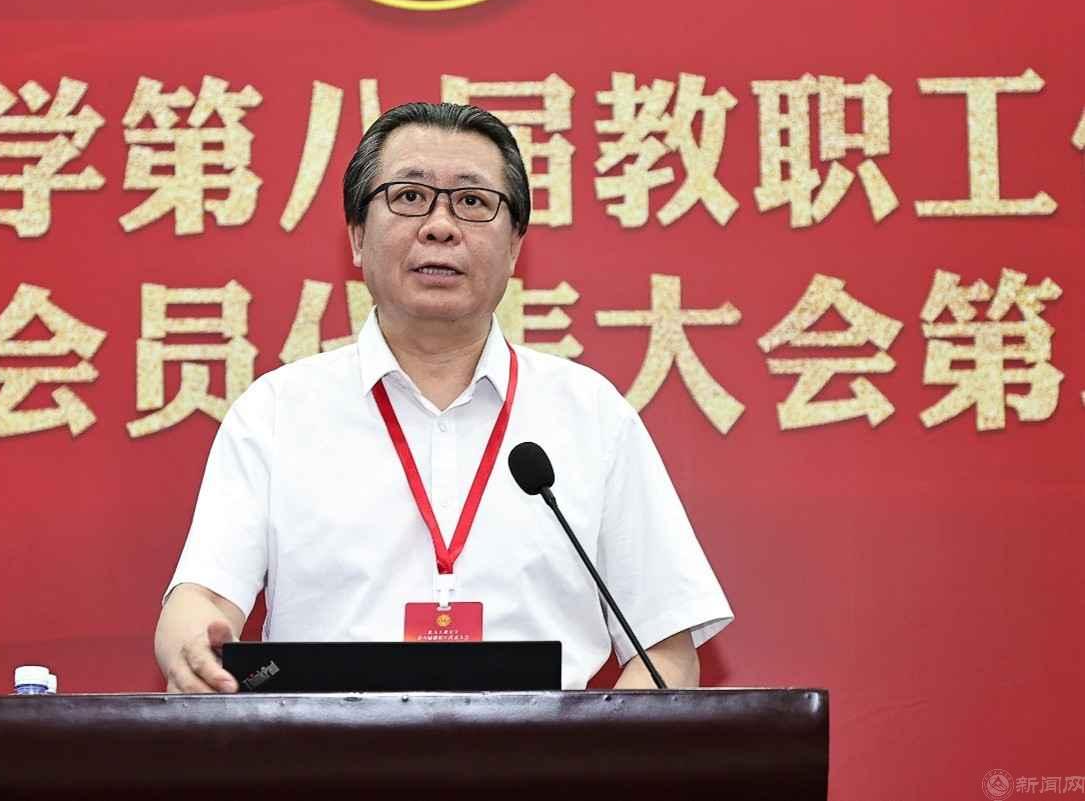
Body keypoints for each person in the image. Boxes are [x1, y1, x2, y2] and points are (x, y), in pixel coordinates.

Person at [154, 102, 732, 692]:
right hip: (326, 746)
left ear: (515, 246)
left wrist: (599, 750)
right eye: (409, 196)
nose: (440, 226)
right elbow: (202, 598)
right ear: (357, 236)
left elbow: (665, 648)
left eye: (473, 202)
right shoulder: (277, 412)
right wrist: (194, 648)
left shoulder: (591, 415)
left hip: (541, 751)